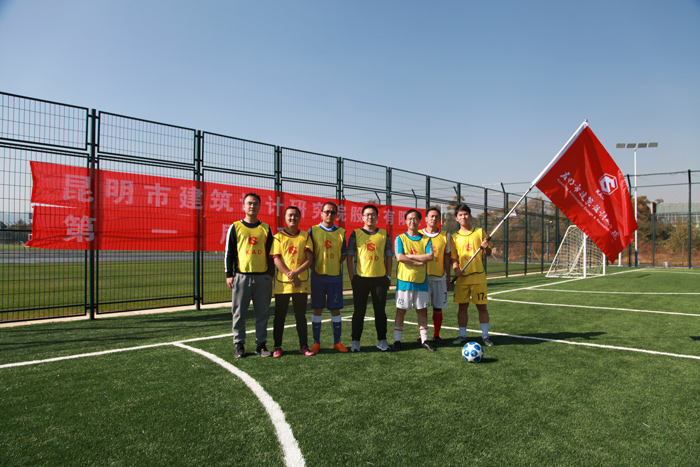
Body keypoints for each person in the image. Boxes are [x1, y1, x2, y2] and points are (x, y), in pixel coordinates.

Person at [225, 193, 274, 358]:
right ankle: (239, 344)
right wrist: (229, 274)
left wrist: (270, 275)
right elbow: (229, 252)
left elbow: (271, 253)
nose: (252, 206)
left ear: (259, 206)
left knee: (263, 313)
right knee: (239, 313)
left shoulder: (265, 228)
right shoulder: (235, 227)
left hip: (262, 277)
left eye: (255, 203)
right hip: (242, 276)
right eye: (249, 203)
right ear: (243, 206)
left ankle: (261, 345)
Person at [346, 204, 393, 352]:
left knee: (380, 312)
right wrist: (352, 276)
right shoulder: (356, 233)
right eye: (367, 214)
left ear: (377, 217)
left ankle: (382, 341)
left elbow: (389, 255)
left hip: (380, 279)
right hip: (361, 279)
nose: (370, 217)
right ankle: (355, 341)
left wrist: (388, 276)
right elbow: (349, 255)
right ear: (362, 217)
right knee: (359, 312)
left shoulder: (384, 234)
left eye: (373, 214)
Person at [271, 206, 315, 357]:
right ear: (285, 217)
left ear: (300, 218)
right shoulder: (278, 237)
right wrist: (290, 275)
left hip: (301, 282)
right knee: (279, 317)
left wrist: (296, 274)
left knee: (300, 316)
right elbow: (276, 259)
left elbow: (309, 259)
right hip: (282, 284)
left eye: (296, 215)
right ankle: (277, 347)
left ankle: (304, 346)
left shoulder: (305, 236)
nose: (293, 218)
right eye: (290, 215)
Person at [450, 204, 494, 347]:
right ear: (456, 218)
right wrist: (456, 269)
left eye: (466, 214)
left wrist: (486, 248)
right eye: (460, 215)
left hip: (478, 277)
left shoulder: (480, 232)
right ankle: (462, 335)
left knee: (482, 307)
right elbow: (453, 258)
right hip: (462, 278)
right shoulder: (454, 237)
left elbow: (488, 253)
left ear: (470, 215)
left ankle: (485, 336)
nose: (463, 217)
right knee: (462, 307)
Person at [391, 209, 435, 352]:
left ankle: (424, 340)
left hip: (421, 281)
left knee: (422, 311)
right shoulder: (400, 238)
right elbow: (399, 257)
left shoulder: (426, 239)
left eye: (415, 219)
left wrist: (409, 256)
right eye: (409, 219)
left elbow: (430, 256)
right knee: (401, 311)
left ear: (419, 221)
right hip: (404, 281)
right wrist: (417, 262)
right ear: (405, 221)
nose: (412, 221)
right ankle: (397, 341)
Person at [308, 201, 349, 353]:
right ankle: (316, 343)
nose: (329, 214)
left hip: (335, 278)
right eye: (326, 211)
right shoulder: (313, 230)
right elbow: (309, 254)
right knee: (317, 309)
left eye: (332, 212)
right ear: (321, 213)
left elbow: (343, 255)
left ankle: (337, 342)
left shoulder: (341, 232)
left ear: (336, 214)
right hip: (317, 278)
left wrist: (332, 263)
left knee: (335, 310)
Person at [419, 206, 451, 344]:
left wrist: (448, 277)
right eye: (431, 216)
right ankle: (422, 335)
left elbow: (447, 258)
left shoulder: (445, 235)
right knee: (422, 308)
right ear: (426, 218)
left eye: (436, 216)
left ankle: (436, 335)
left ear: (439, 219)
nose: (434, 218)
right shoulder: (419, 234)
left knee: (438, 308)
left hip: (439, 277)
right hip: (422, 278)